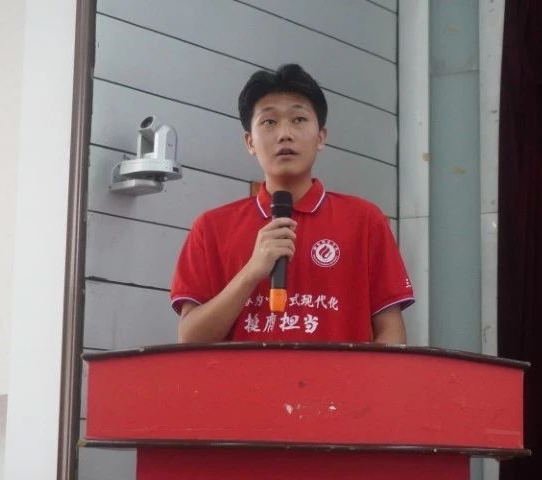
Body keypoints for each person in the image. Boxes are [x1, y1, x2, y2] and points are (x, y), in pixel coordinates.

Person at [170, 64, 414, 343]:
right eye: (269, 122)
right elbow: (189, 340)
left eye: (298, 119)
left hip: (339, 375)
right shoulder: (210, 228)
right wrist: (251, 272)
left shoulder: (365, 220)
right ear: (250, 142)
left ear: (321, 137)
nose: (285, 133)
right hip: (246, 375)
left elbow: (392, 333)